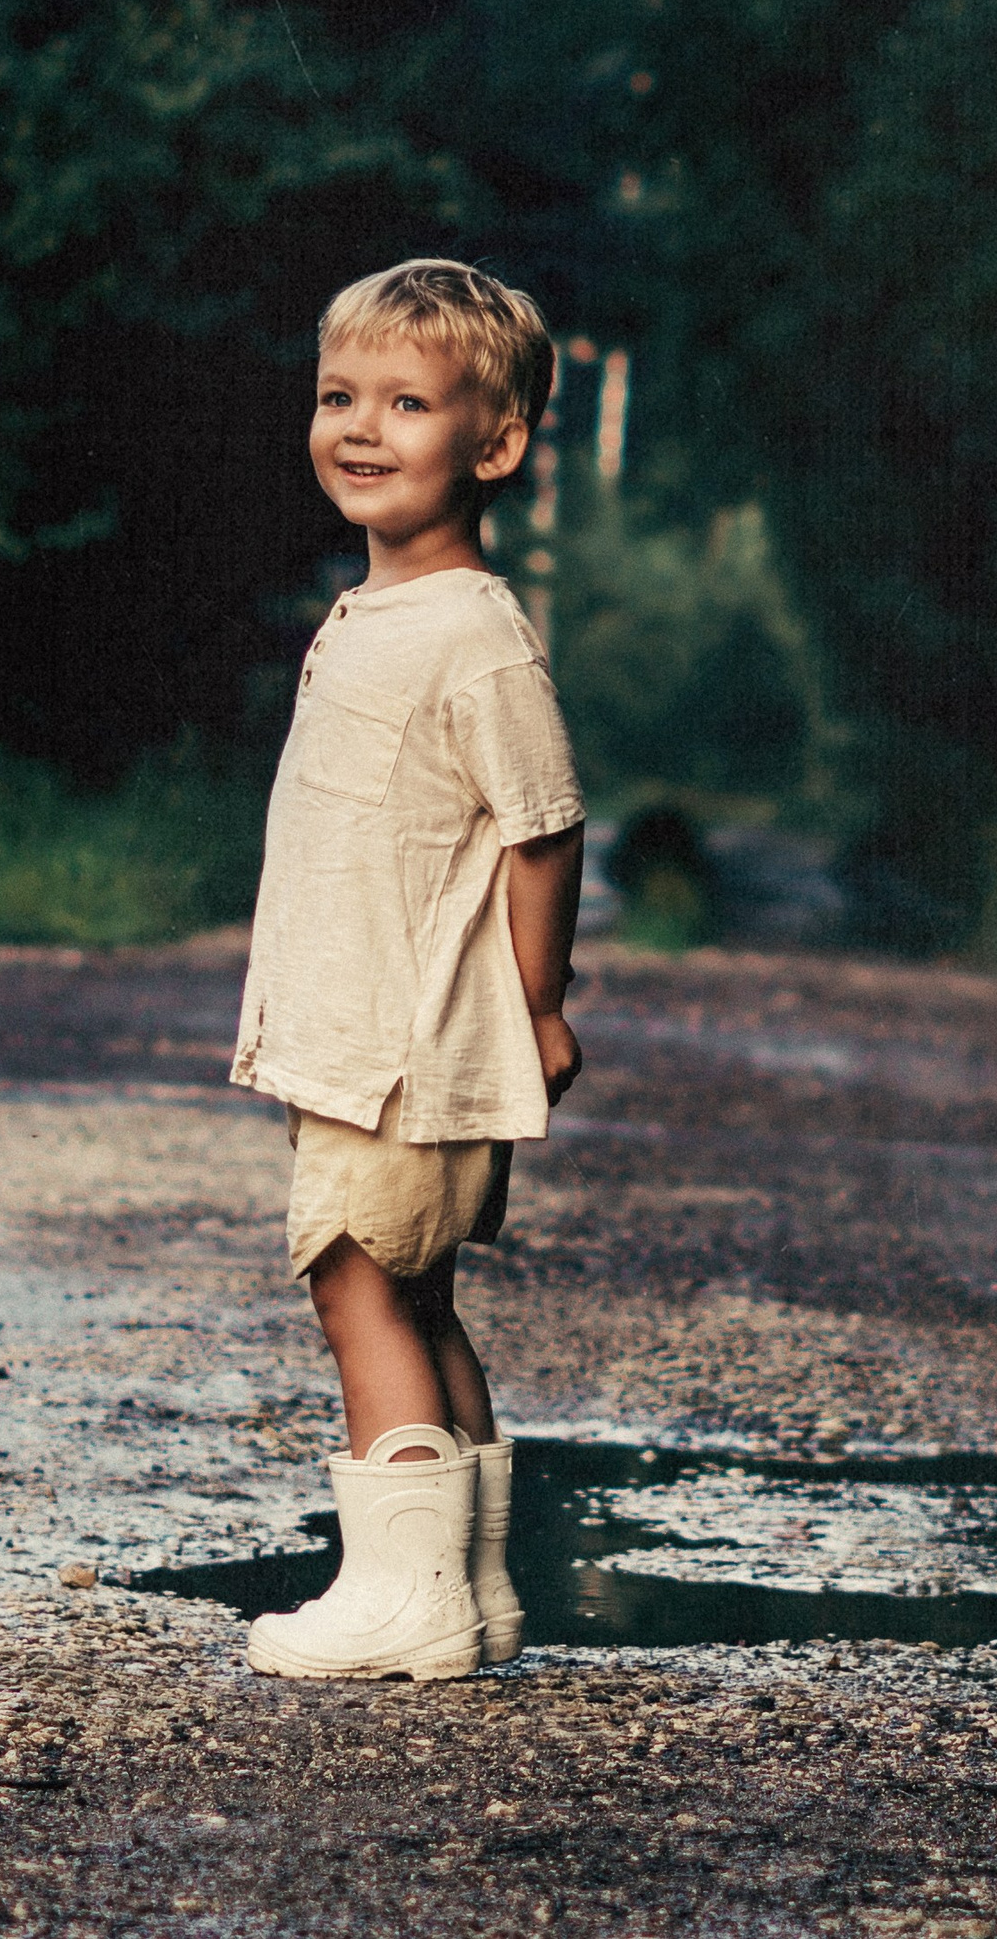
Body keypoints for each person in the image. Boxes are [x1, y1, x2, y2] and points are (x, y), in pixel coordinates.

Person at [230, 258, 585, 1680]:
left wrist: (542, 1002)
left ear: (492, 446)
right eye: (339, 396)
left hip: (403, 1045)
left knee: (360, 1284)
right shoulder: (378, 611)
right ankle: (475, 1587)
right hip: (360, 1031)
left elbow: (545, 830)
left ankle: (402, 1596)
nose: (360, 428)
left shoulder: (475, 635)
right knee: (419, 1294)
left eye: (409, 403)